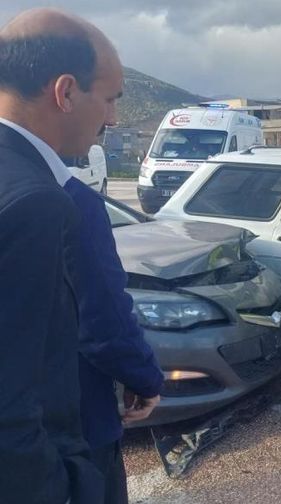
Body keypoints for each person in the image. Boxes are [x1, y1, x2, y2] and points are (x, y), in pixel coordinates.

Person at [0, 7, 125, 503]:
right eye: (111, 99)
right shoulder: (36, 202)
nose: (113, 119)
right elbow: (12, 404)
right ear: (66, 92)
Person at [66, 174, 164, 503]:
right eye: (106, 118)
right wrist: (144, 378)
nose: (111, 118)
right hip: (78, 417)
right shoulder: (71, 199)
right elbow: (102, 318)